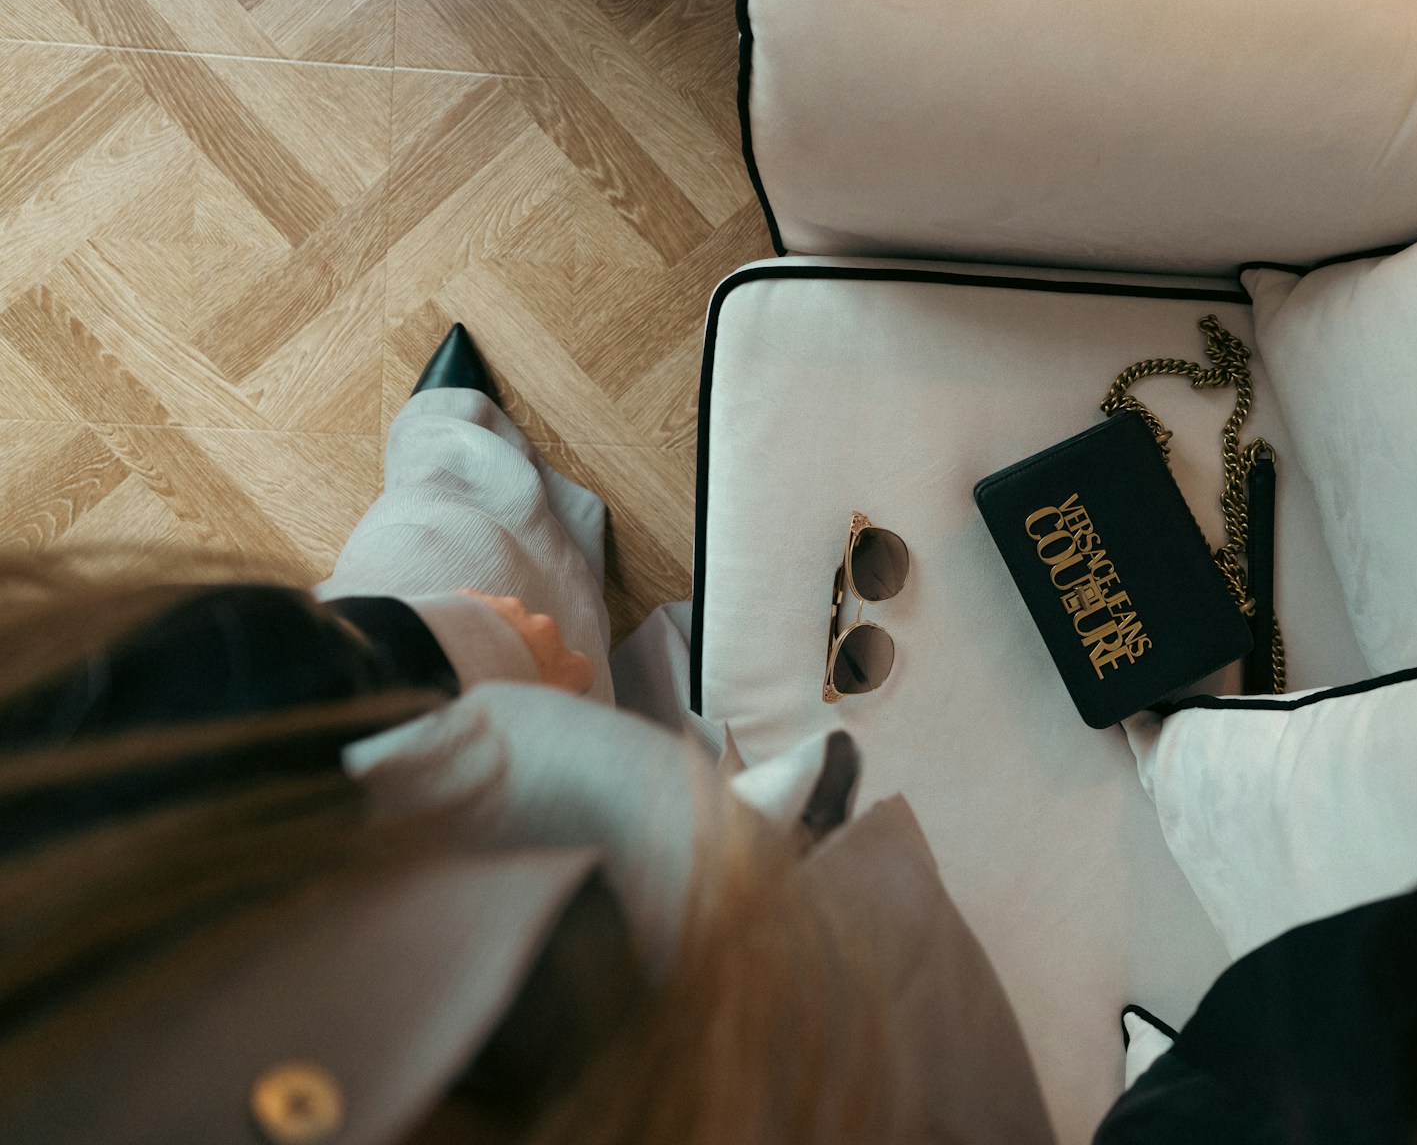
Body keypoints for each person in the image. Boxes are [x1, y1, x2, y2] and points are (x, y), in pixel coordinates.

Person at [0, 328, 1054, 1145]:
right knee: (470, 594)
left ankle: (471, 491)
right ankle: (477, 506)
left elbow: (196, 693)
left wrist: (455, 649)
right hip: (636, 983)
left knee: (456, 574)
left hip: (311, 828)